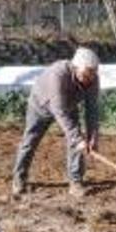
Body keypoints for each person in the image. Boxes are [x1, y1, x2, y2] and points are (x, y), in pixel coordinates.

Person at [12, 47, 101, 198]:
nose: (90, 78)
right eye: (86, 74)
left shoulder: (93, 79)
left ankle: (76, 182)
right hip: (41, 105)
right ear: (75, 68)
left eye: (93, 73)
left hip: (69, 105)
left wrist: (93, 136)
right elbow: (59, 111)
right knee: (30, 141)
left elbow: (92, 109)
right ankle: (19, 178)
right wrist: (77, 138)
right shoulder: (57, 75)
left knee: (76, 144)